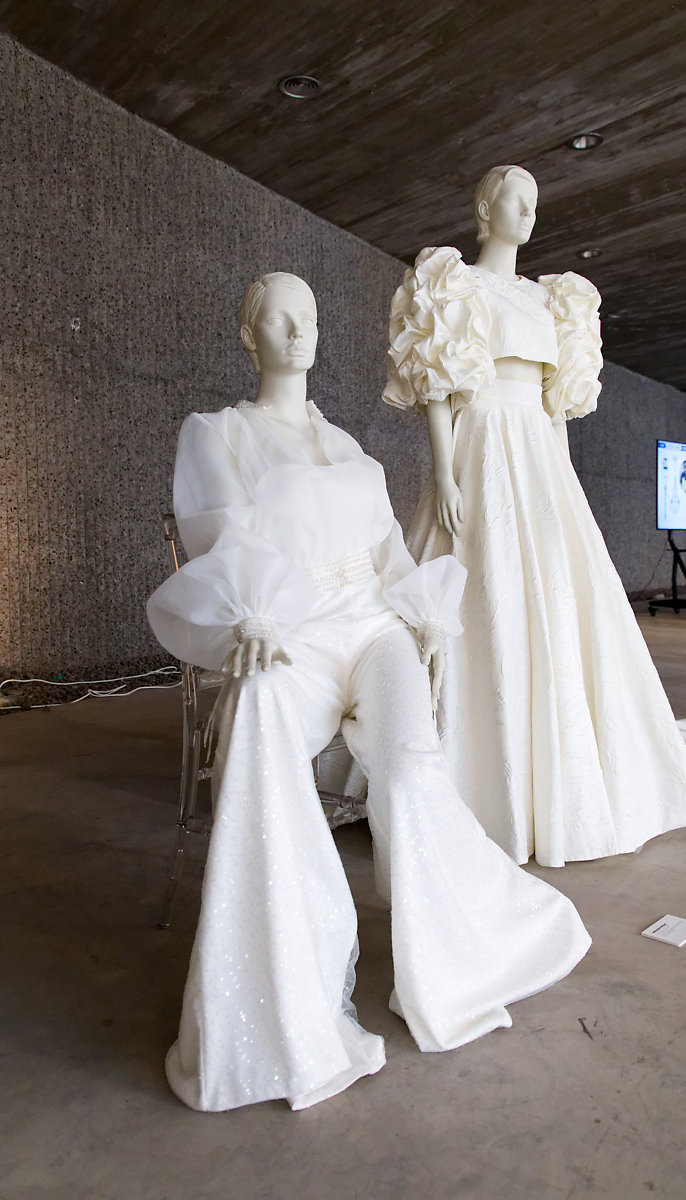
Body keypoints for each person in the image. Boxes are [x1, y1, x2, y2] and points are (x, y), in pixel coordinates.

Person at [147, 271, 591, 1112]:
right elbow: (221, 537)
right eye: (278, 318)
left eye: (309, 317)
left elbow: (389, 549)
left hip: (373, 627)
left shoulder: (349, 446)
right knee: (256, 726)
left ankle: (457, 965)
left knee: (411, 764)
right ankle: (285, 1011)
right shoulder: (218, 434)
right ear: (248, 335)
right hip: (292, 631)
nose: (297, 332)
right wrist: (251, 614)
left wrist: (425, 619)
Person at [384, 165, 686, 868]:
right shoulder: (453, 283)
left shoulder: (555, 300)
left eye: (534, 204)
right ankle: (469, 769)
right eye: (515, 200)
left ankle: (558, 770)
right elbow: (439, 388)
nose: (528, 213)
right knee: (478, 586)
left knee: (557, 599)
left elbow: (554, 406)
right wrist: (443, 472)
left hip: (538, 453)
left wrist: (563, 480)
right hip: (480, 444)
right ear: (484, 207)